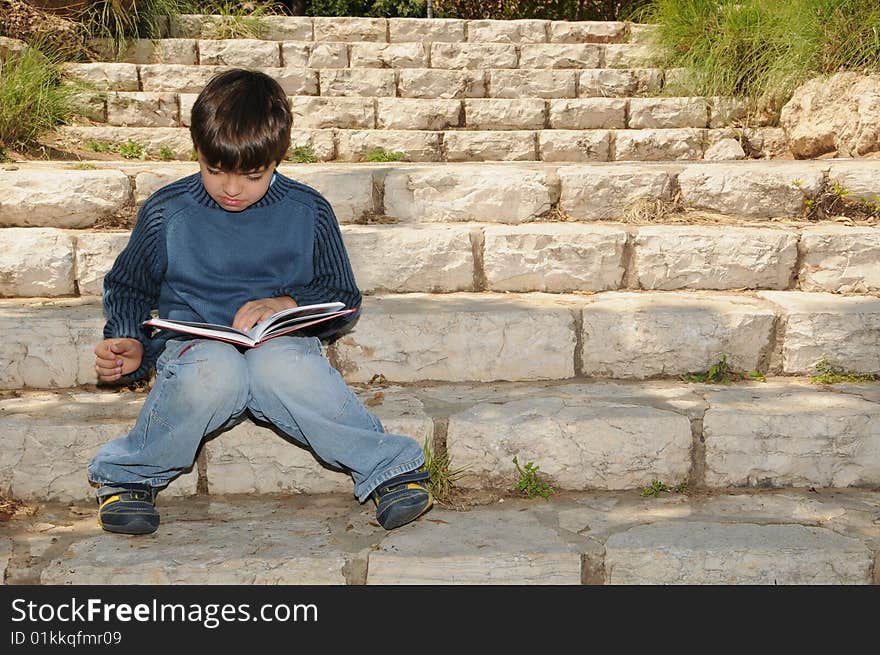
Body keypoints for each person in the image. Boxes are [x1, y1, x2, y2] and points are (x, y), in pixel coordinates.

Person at [88, 68, 432, 536]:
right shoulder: (167, 212)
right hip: (198, 348)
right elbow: (128, 284)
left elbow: (342, 296)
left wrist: (286, 300)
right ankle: (128, 476)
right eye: (214, 171)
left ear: (279, 157)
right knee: (215, 373)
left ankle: (390, 470)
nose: (231, 189)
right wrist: (127, 338)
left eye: (252, 175)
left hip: (280, 345)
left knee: (283, 367)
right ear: (197, 152)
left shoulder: (308, 211)